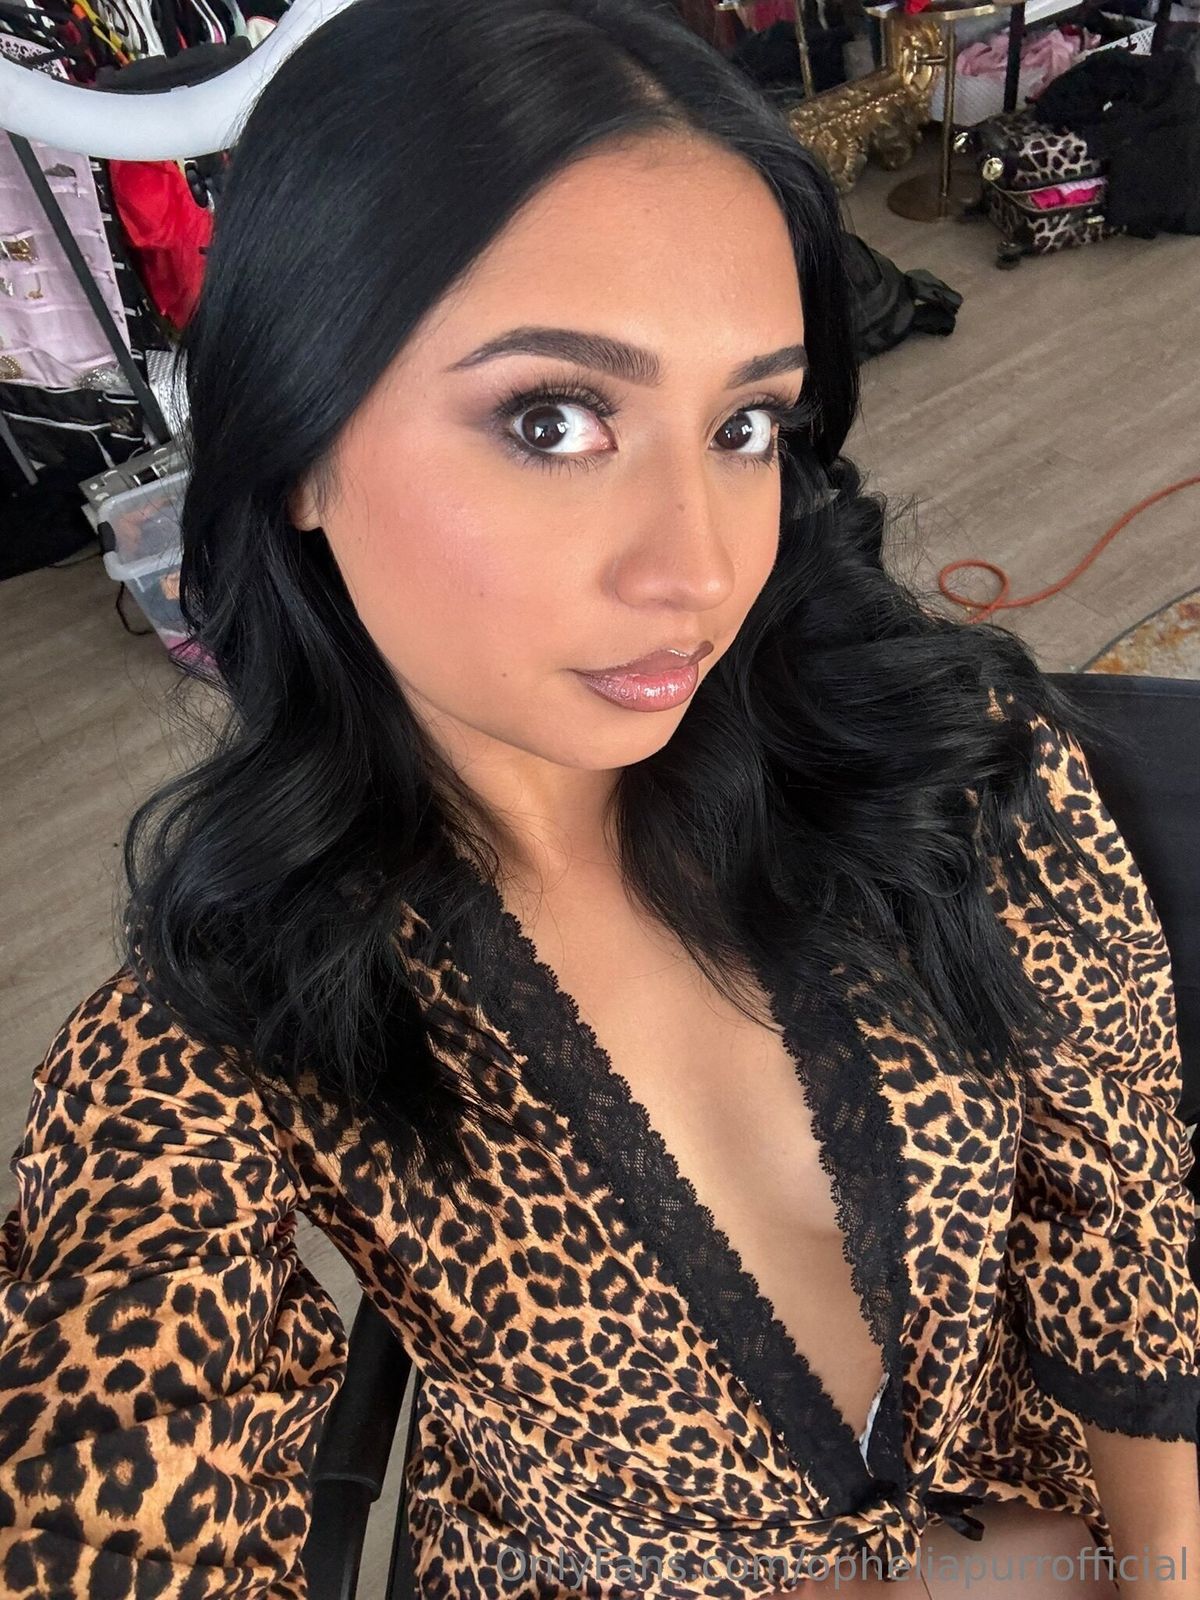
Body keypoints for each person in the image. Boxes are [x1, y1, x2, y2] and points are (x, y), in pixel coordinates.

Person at [1, 0, 1197, 1594]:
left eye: (745, 425)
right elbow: (110, 1467)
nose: (698, 569)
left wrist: (1161, 1565)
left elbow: (1117, 1200)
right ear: (296, 442)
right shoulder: (218, 1029)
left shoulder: (949, 763)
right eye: (551, 420)